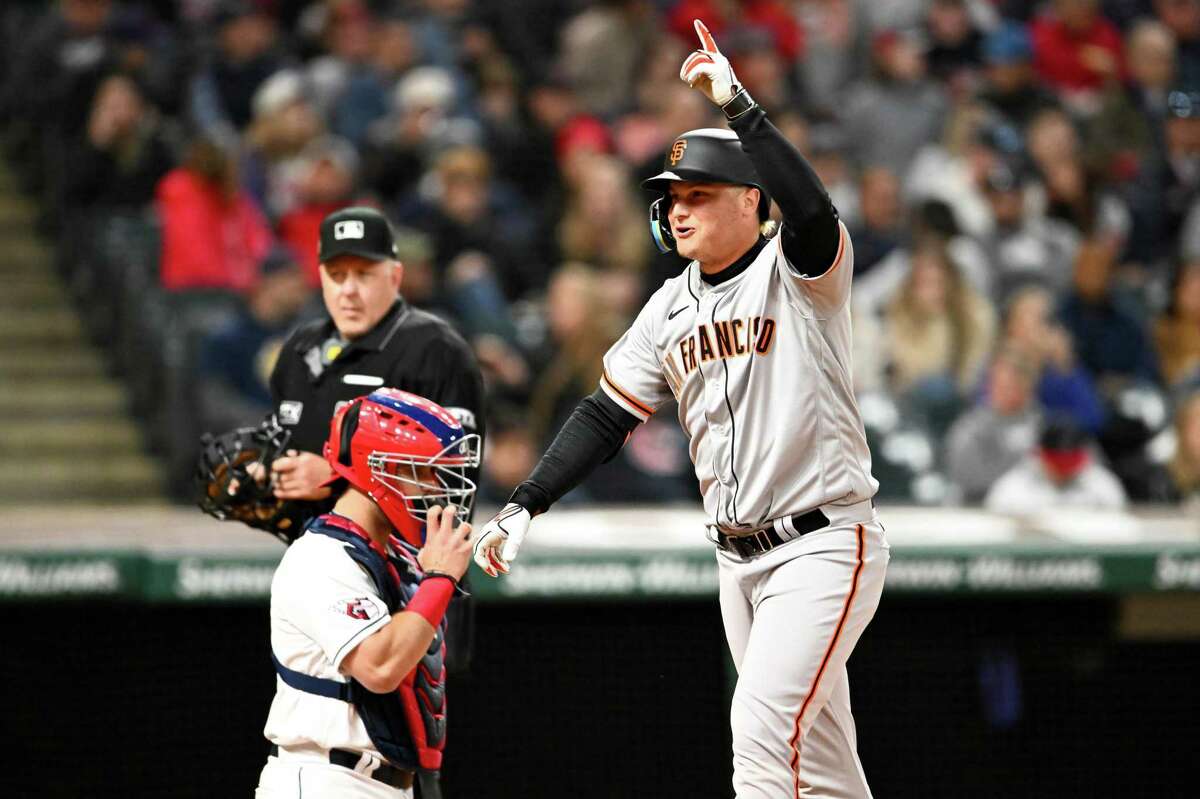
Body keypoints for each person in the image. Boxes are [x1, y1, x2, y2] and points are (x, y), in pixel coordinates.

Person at [472, 21, 889, 798]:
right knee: (826, 773)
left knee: (760, 739)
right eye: (673, 196)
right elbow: (604, 414)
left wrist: (739, 106)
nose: (681, 207)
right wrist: (527, 502)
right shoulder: (668, 307)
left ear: (752, 201)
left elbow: (815, 214)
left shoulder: (797, 274)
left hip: (820, 544)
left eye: (700, 192)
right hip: (737, 559)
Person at [266, 205, 485, 670]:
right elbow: (285, 449)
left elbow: (451, 486)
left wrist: (331, 476)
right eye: (336, 272)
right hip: (322, 591)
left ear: (396, 275)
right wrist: (264, 477)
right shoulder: (299, 350)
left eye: (364, 273)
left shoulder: (435, 351)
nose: (348, 289)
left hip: (408, 588)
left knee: (418, 734)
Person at [256, 388, 478, 799]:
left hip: (381, 783)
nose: (435, 488)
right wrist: (440, 578)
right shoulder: (322, 557)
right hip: (326, 779)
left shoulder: (395, 555)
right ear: (380, 469)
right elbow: (379, 667)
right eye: (422, 472)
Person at [984, 415, 1127, 513]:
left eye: (1069, 464)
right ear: (1039, 455)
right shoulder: (1012, 488)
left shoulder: (1102, 485)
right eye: (1057, 464)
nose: (1062, 473)